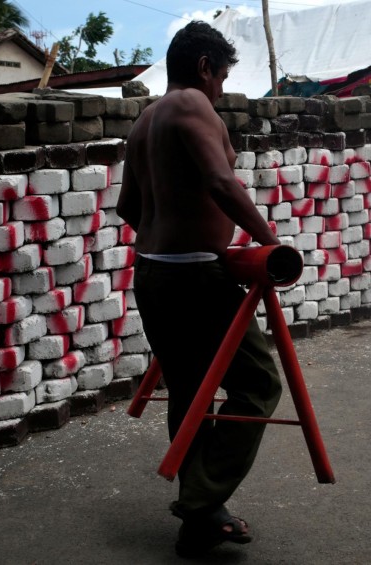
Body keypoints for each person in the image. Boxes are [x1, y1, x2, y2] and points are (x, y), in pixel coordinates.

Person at [116, 21, 283, 557]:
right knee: (257, 384)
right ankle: (199, 504)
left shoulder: (145, 121)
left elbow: (127, 208)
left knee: (191, 392)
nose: (222, 89)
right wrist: (269, 240)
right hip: (194, 276)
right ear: (205, 66)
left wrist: (172, 222)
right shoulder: (192, 105)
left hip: (154, 272)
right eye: (223, 76)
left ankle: (202, 516)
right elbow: (219, 181)